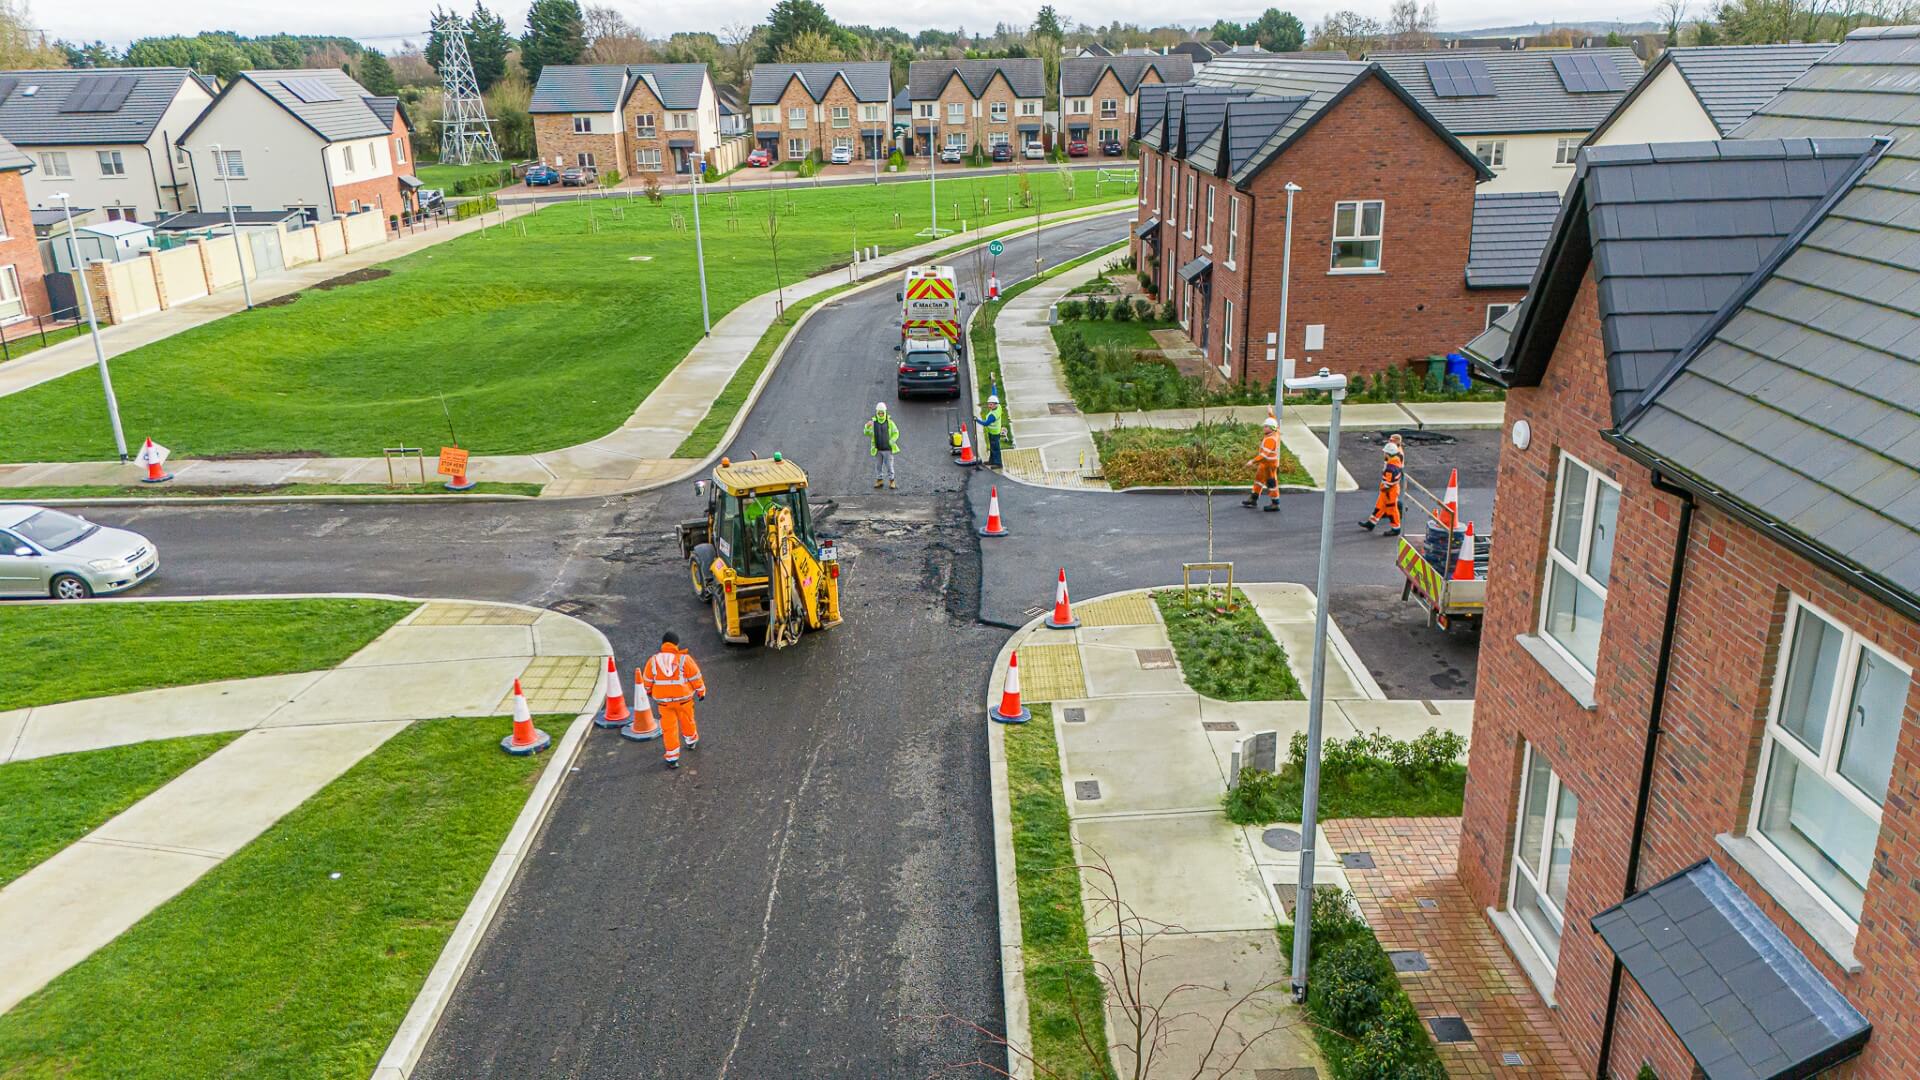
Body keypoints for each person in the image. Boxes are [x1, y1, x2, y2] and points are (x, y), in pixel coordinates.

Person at [640, 631, 707, 770]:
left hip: (664, 703)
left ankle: (672, 758)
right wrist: (701, 692)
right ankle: (691, 741)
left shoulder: (653, 661)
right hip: (684, 700)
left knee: (669, 729)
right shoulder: (684, 659)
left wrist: (648, 691)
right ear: (676, 644)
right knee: (687, 720)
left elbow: (647, 681)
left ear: (663, 644)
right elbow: (695, 677)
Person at [1359, 435, 1404, 536]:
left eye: (1385, 452)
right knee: (1379, 506)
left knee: (1391, 510)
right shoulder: (1394, 460)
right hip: (1388, 491)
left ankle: (1396, 528)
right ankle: (1371, 523)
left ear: (1388, 454)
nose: (1384, 453)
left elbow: (1389, 482)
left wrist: (1384, 488)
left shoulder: (1391, 467)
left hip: (1389, 491)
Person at [1242, 415, 1282, 513]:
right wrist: (1270, 413)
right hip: (1265, 464)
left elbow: (1264, 455)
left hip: (1270, 465)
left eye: (1266, 426)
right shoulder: (1275, 432)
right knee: (1258, 480)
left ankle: (1275, 503)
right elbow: (1274, 421)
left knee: (1271, 484)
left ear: (1271, 428)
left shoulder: (1270, 439)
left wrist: (1252, 461)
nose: (1264, 428)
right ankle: (1253, 499)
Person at [867, 402, 900, 489]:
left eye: (882, 413)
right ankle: (879, 480)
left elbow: (896, 432)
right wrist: (867, 426)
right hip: (878, 449)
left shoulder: (890, 422)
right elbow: (866, 432)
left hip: (887, 450)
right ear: (877, 413)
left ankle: (892, 481)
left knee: (889, 466)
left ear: (885, 412)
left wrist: (892, 441)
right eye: (879, 413)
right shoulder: (873, 423)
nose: (881, 414)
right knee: (878, 466)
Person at [977, 394, 1005, 469]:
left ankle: (998, 463)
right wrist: (993, 386)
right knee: (993, 447)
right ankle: (992, 461)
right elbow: (995, 394)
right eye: (988, 404)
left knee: (995, 448)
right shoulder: (999, 407)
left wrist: (977, 420)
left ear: (995, 404)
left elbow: (986, 423)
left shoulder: (992, 415)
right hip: (994, 432)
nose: (989, 406)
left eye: (991, 404)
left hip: (994, 433)